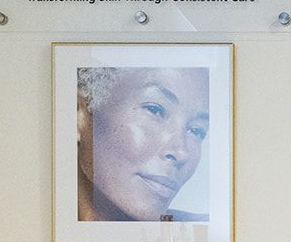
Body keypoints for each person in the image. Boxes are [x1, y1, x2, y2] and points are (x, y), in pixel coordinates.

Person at [77, 65, 209, 223]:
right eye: (155, 110)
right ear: (79, 115)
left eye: (197, 130)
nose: (182, 152)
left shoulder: (202, 231)